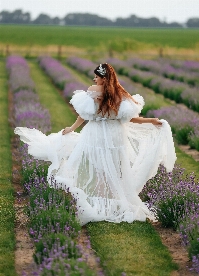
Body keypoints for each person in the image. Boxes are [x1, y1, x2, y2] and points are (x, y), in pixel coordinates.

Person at [15, 63, 176, 225]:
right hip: (115, 134)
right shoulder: (120, 93)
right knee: (114, 167)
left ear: (103, 78)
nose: (94, 79)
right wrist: (151, 121)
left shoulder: (93, 90)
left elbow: (85, 114)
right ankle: (112, 202)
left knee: (96, 166)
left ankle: (99, 203)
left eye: (97, 76)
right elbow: (127, 118)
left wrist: (72, 128)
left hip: (96, 133)